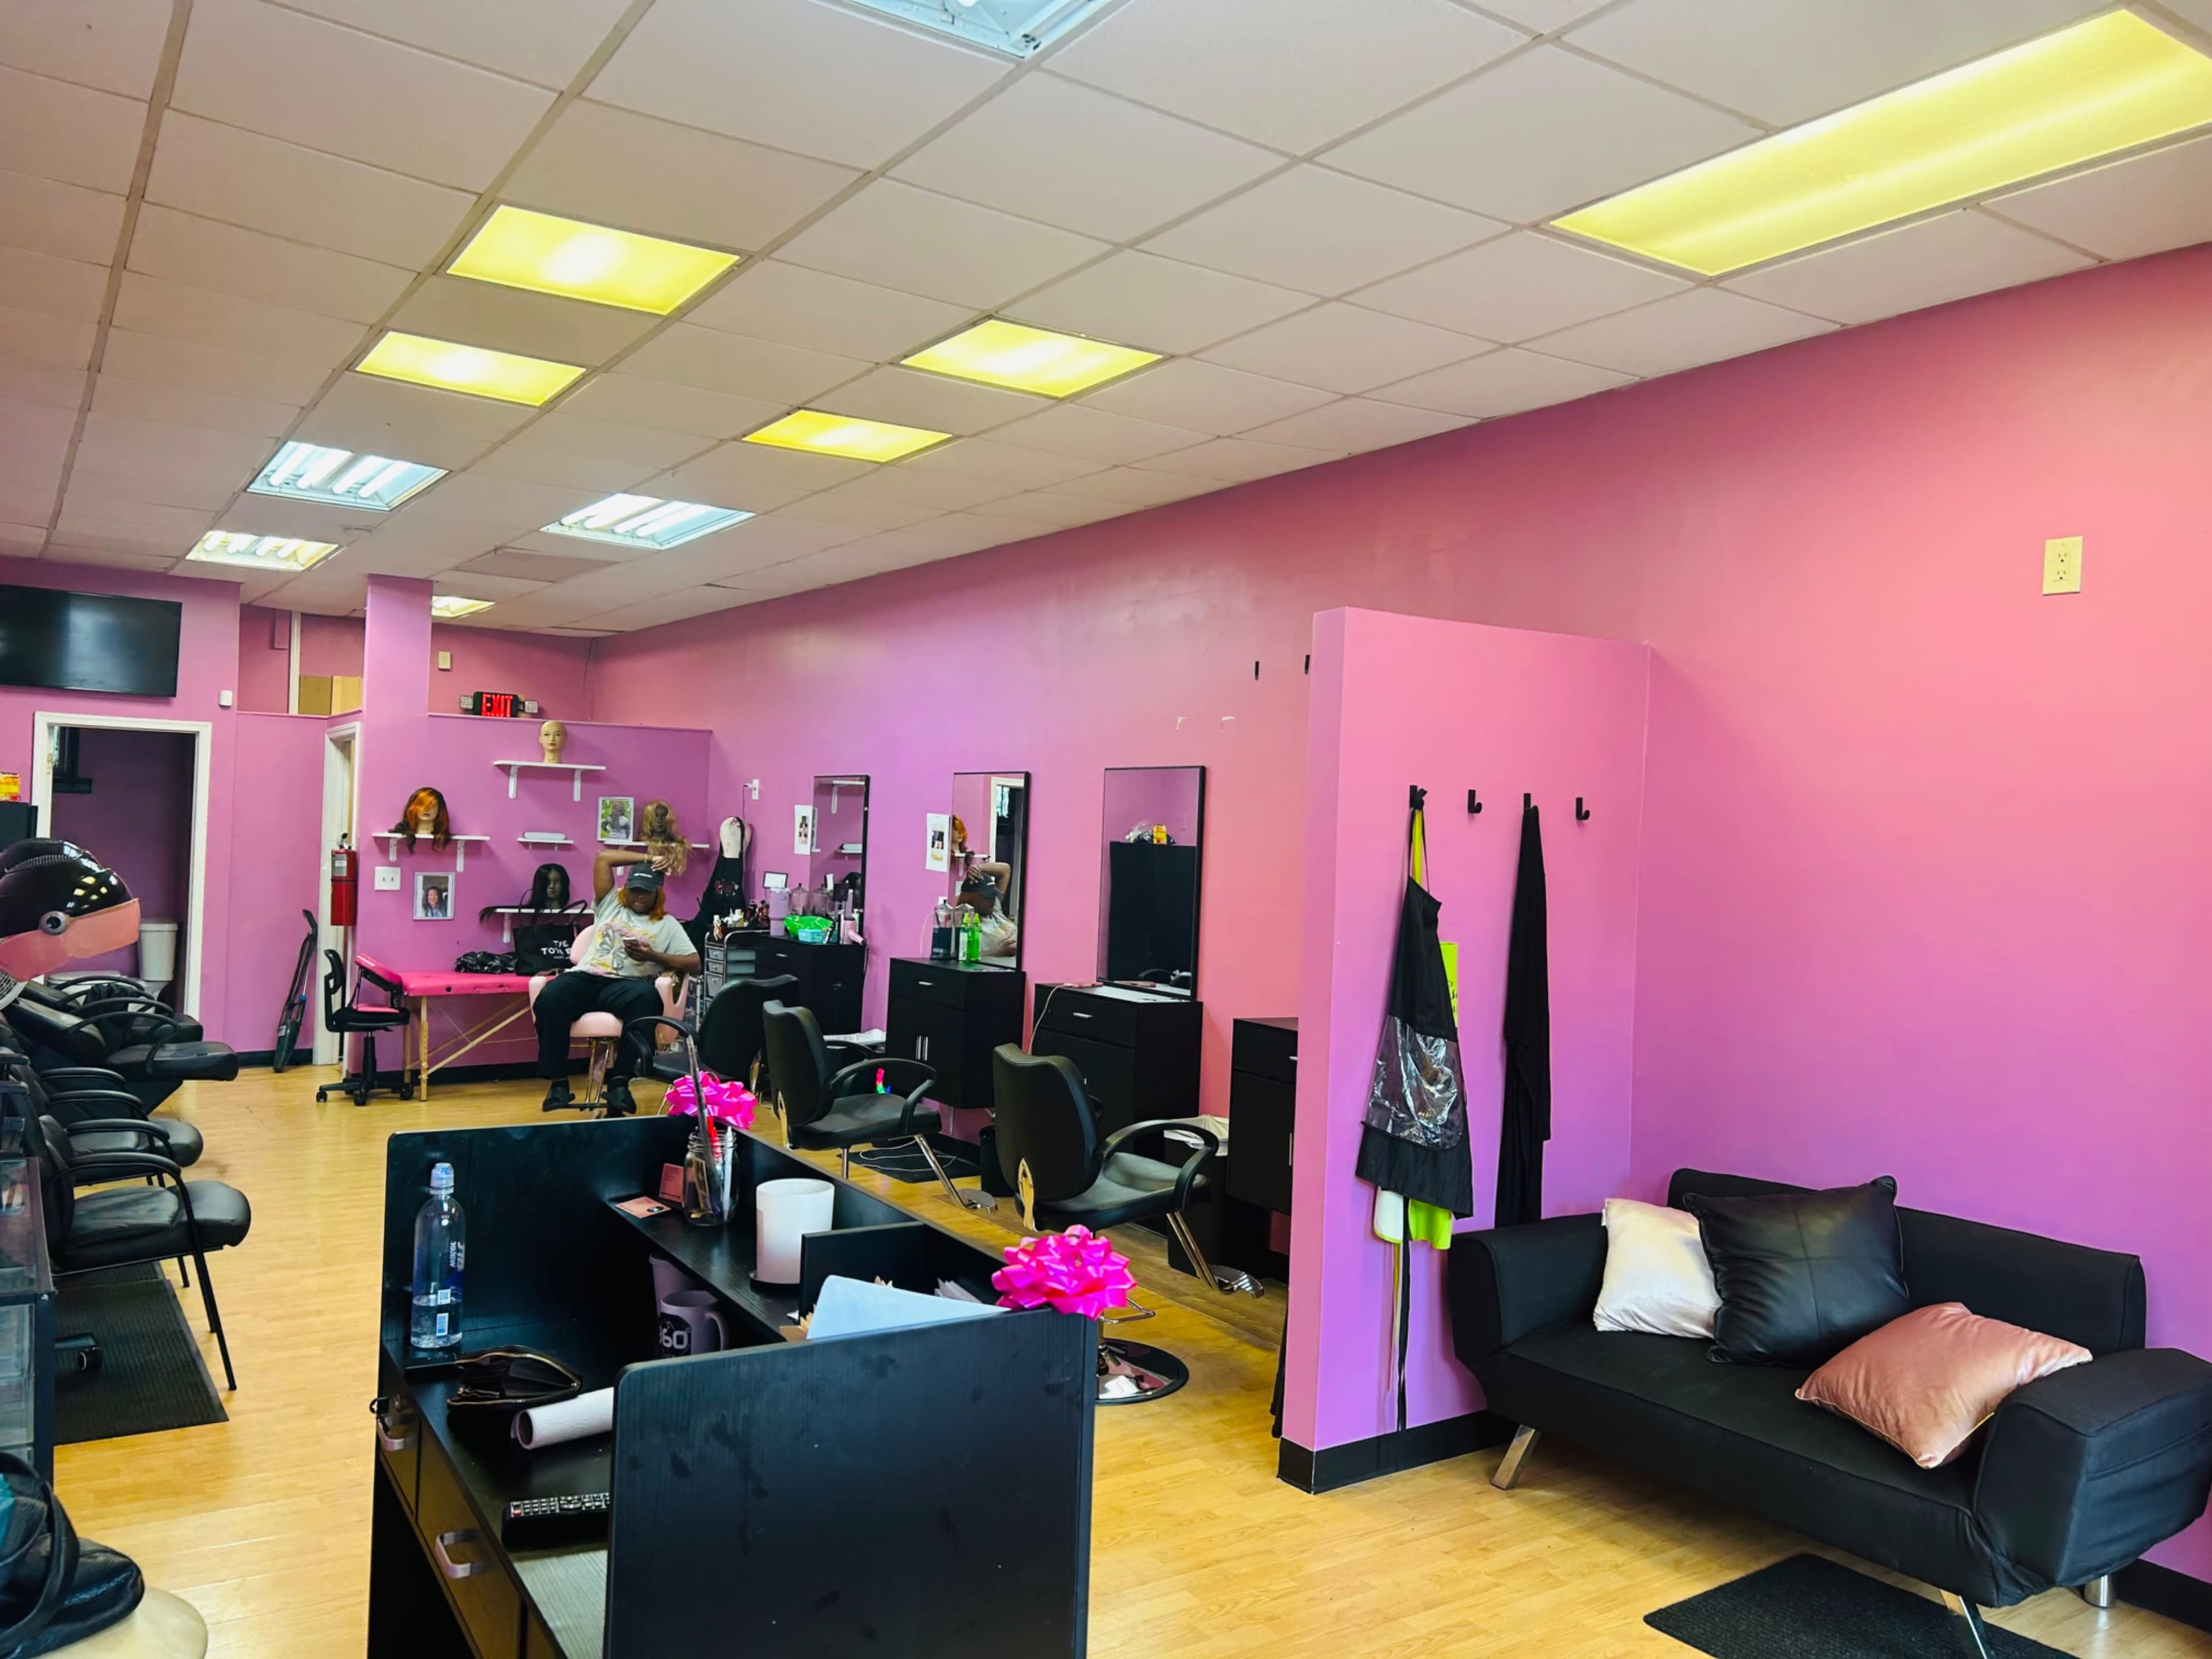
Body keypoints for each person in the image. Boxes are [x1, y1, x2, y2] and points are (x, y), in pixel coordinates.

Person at [533, 848, 700, 1116]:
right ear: (626, 889)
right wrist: (649, 858)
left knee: (648, 998)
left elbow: (695, 963)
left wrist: (653, 956)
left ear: (658, 893)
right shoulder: (611, 903)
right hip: (586, 976)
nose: (639, 896)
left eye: (646, 892)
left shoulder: (667, 924)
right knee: (551, 997)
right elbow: (603, 859)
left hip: (628, 984)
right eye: (634, 890)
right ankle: (559, 1084)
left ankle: (620, 1083)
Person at [959, 873, 1018, 959]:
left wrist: (976, 868)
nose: (993, 901)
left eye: (994, 896)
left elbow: (1005, 871)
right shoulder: (966, 925)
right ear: (972, 898)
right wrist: (999, 952)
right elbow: (962, 957)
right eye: (988, 897)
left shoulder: (995, 910)